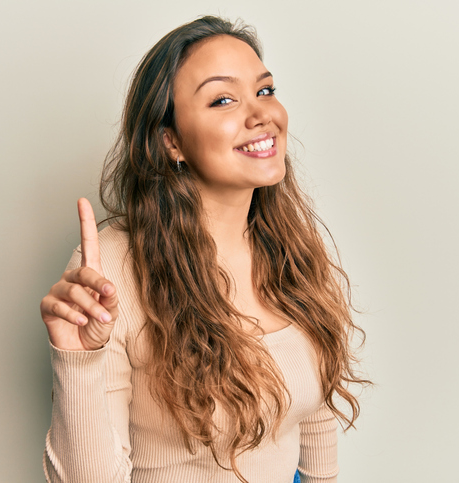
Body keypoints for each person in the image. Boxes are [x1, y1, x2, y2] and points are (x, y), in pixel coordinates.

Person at [40, 15, 367, 483]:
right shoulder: (112, 268)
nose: (262, 115)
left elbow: (311, 420)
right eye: (223, 99)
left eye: (266, 90)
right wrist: (78, 360)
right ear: (171, 141)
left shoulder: (290, 245)